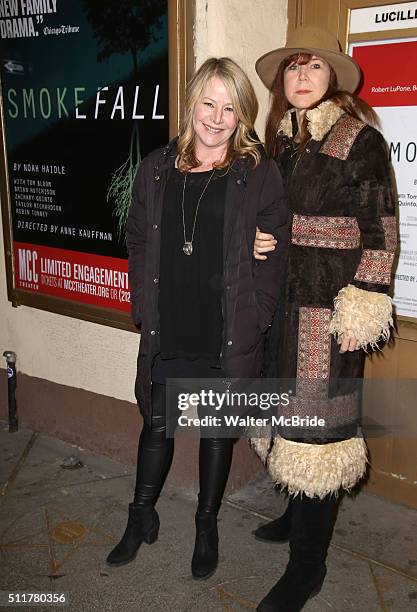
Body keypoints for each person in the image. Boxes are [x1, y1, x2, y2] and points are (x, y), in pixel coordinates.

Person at [106, 57, 288, 580]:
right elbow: (137, 235)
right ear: (191, 104)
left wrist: (260, 314)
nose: (216, 117)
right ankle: (140, 516)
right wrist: (142, 300)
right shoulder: (157, 168)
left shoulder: (257, 174)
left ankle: (205, 525)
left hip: (226, 324)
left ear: (243, 115)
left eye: (230, 107)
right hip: (171, 319)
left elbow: (277, 249)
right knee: (157, 423)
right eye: (208, 103)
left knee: (215, 431)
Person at [250, 26, 397, 612]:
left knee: (320, 436)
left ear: (332, 76)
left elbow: (381, 229)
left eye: (312, 67)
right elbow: (271, 214)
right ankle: (295, 515)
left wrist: (366, 297)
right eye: (292, 68)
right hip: (281, 307)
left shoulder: (359, 140)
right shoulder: (281, 140)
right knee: (285, 419)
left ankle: (307, 567)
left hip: (330, 315)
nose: (302, 77)